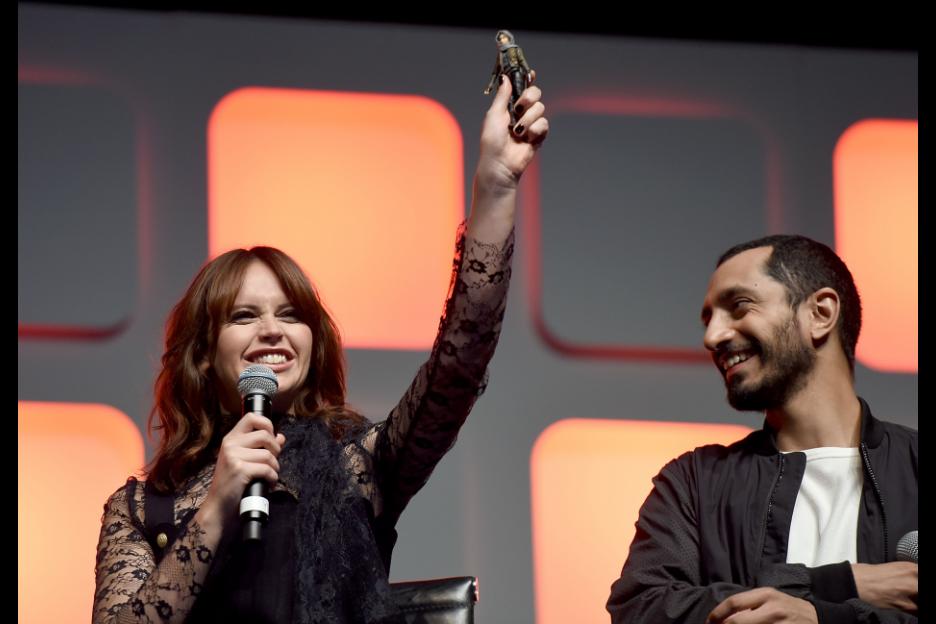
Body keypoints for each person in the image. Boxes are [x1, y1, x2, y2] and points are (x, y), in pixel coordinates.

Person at [92, 75, 548, 624]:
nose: (273, 331)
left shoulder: (356, 463)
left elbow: (461, 359)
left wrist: (496, 186)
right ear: (204, 352)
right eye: (244, 316)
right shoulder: (142, 508)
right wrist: (215, 506)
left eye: (291, 316)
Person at [606, 235, 918, 623]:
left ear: (820, 313)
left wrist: (820, 616)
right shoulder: (695, 483)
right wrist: (833, 584)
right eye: (708, 320)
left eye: (739, 306)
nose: (712, 337)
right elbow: (641, 607)